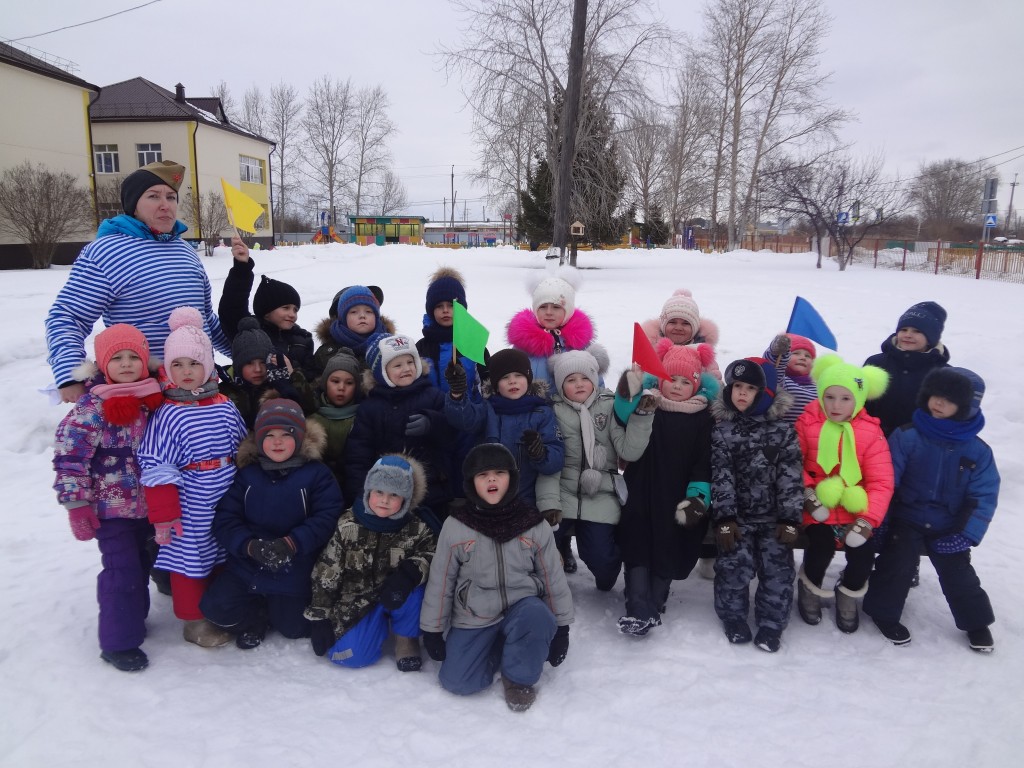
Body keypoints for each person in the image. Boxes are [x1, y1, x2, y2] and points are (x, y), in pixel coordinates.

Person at [45, 160, 236, 402]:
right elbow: (68, 316)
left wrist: (244, 355)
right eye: (154, 196)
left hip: (198, 387)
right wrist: (69, 375)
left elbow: (206, 319)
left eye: (171, 197)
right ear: (133, 206)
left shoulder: (185, 251)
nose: (165, 205)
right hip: (143, 393)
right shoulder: (107, 252)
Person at [419, 444, 573, 712]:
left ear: (511, 478)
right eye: (483, 475)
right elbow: (441, 582)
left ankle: (517, 677)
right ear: (471, 482)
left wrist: (562, 627)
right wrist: (432, 630)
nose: (492, 479)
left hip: (523, 609)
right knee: (457, 682)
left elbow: (552, 578)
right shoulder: (456, 526)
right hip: (475, 614)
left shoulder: (533, 524)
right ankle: (498, 649)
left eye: (499, 473)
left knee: (537, 615)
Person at [863, 368, 1000, 652]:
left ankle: (976, 623)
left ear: (966, 406)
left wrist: (966, 534)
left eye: (948, 400)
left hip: (949, 524)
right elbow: (887, 481)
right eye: (935, 395)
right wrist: (882, 521)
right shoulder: (907, 436)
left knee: (959, 573)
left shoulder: (978, 450)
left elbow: (984, 495)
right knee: (897, 563)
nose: (938, 403)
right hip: (907, 518)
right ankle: (883, 614)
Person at [53, 324, 164, 672]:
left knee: (142, 565)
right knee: (121, 571)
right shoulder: (92, 408)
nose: (126, 364)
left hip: (153, 507)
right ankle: (119, 642)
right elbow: (70, 458)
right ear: (102, 364)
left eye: (134, 356)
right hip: (111, 510)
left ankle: (133, 617)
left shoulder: (155, 398)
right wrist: (77, 505)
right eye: (117, 358)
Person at [138, 307, 248, 648]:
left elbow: (244, 447)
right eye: (178, 364)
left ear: (209, 365)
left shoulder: (225, 405)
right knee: (192, 559)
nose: (186, 372)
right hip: (190, 502)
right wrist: (164, 513)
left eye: (194, 363)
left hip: (226, 494)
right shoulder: (168, 414)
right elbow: (155, 463)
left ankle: (221, 609)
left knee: (223, 551)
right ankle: (194, 621)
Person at [201, 399, 342, 649]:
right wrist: (248, 545)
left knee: (294, 627)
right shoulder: (247, 474)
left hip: (294, 563)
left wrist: (292, 543)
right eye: (270, 435)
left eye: (286, 435)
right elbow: (225, 518)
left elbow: (327, 517)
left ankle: (275, 610)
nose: (278, 442)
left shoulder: (317, 474)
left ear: (299, 438)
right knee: (216, 610)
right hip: (249, 562)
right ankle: (256, 618)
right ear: (259, 440)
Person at [615, 341, 717, 637]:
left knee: (670, 542)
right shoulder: (649, 403)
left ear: (696, 385)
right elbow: (622, 415)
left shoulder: (703, 417)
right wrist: (630, 389)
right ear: (660, 379)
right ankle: (637, 606)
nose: (677, 386)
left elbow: (704, 462)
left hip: (678, 493)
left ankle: (654, 602)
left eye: (686, 381)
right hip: (642, 487)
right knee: (637, 539)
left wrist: (697, 498)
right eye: (672, 378)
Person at [306, 454, 435, 671]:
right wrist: (319, 616)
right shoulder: (348, 525)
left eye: (394, 494)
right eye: (379, 492)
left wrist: (411, 572)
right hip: (358, 600)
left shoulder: (416, 528)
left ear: (406, 499)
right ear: (368, 491)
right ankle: (373, 627)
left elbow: (431, 553)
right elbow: (327, 571)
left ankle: (406, 639)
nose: (385, 500)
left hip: (397, 593)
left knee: (418, 588)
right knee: (347, 656)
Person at [537, 350, 654, 590]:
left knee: (600, 555)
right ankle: (545, 586)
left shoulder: (609, 405)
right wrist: (549, 503)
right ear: (560, 385)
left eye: (585, 378)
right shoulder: (553, 411)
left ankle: (606, 576)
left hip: (601, 492)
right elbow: (551, 463)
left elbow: (629, 451)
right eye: (571, 380)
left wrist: (641, 418)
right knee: (542, 542)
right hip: (562, 491)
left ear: (594, 379)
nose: (579, 384)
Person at [709, 357, 803, 652]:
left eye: (750, 388)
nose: (742, 393)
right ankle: (733, 617)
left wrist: (790, 519)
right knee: (733, 566)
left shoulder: (782, 431)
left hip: (774, 518)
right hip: (738, 517)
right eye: (737, 386)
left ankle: (772, 624)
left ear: (763, 394)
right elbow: (721, 475)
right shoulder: (722, 431)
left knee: (778, 571)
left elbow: (790, 477)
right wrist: (725, 517)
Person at [795, 354, 894, 633]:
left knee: (863, 555)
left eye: (845, 398)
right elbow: (792, 463)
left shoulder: (871, 432)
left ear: (859, 399)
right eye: (829, 397)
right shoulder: (807, 423)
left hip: (856, 508)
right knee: (820, 547)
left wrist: (868, 519)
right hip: (817, 504)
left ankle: (848, 592)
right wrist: (808, 495)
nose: (836, 405)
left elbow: (881, 481)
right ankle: (810, 587)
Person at [343, 333, 453, 532]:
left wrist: (432, 422)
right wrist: (360, 493)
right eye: (397, 365)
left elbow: (452, 433)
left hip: (432, 493)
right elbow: (358, 455)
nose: (406, 369)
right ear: (381, 372)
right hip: (387, 497)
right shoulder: (370, 408)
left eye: (410, 362)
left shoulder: (433, 396)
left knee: (433, 537)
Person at [444, 348, 564, 510]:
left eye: (518, 375)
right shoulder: (487, 409)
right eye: (505, 377)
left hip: (527, 503)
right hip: (489, 503)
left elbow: (556, 459)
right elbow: (464, 420)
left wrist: (541, 454)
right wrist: (457, 394)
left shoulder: (543, 413)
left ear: (528, 378)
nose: (512, 381)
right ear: (495, 384)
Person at [218, 246, 318, 380]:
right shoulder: (249, 333)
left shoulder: (303, 340)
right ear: (266, 312)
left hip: (290, 393)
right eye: (286, 308)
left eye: (295, 309)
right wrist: (242, 268)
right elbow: (232, 306)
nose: (292, 314)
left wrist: (293, 373)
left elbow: (311, 379)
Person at [506, 271, 609, 389]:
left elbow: (596, 385)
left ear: (568, 310)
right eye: (543, 307)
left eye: (556, 307)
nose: (549, 312)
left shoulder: (580, 346)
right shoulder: (523, 345)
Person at [864, 301, 949, 436]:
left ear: (931, 338)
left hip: (915, 442)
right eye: (904, 330)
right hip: (872, 438)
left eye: (917, 331)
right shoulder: (876, 362)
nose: (908, 335)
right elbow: (859, 400)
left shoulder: (943, 373)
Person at [216, 316, 314, 428]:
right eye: (249, 363)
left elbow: (311, 408)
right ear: (238, 366)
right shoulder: (223, 393)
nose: (258, 369)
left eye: (263, 362)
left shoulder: (279, 385)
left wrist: (292, 376)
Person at [639, 289, 722, 381]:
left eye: (686, 323)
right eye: (672, 322)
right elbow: (638, 381)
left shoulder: (702, 355)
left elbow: (714, 384)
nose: (678, 328)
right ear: (663, 325)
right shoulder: (651, 353)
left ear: (694, 328)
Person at [308, 348, 363, 489]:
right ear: (325, 383)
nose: (341, 388)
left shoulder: (363, 418)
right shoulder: (310, 417)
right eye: (335, 381)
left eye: (349, 383)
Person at [314, 285, 393, 370]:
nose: (362, 315)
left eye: (368, 311)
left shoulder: (391, 347)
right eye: (354, 312)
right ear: (342, 318)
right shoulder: (326, 353)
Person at [762, 333, 818, 425]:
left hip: (811, 432)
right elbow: (771, 367)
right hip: (782, 431)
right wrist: (777, 350)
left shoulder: (818, 387)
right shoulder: (782, 381)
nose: (803, 358)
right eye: (796, 353)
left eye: (808, 356)